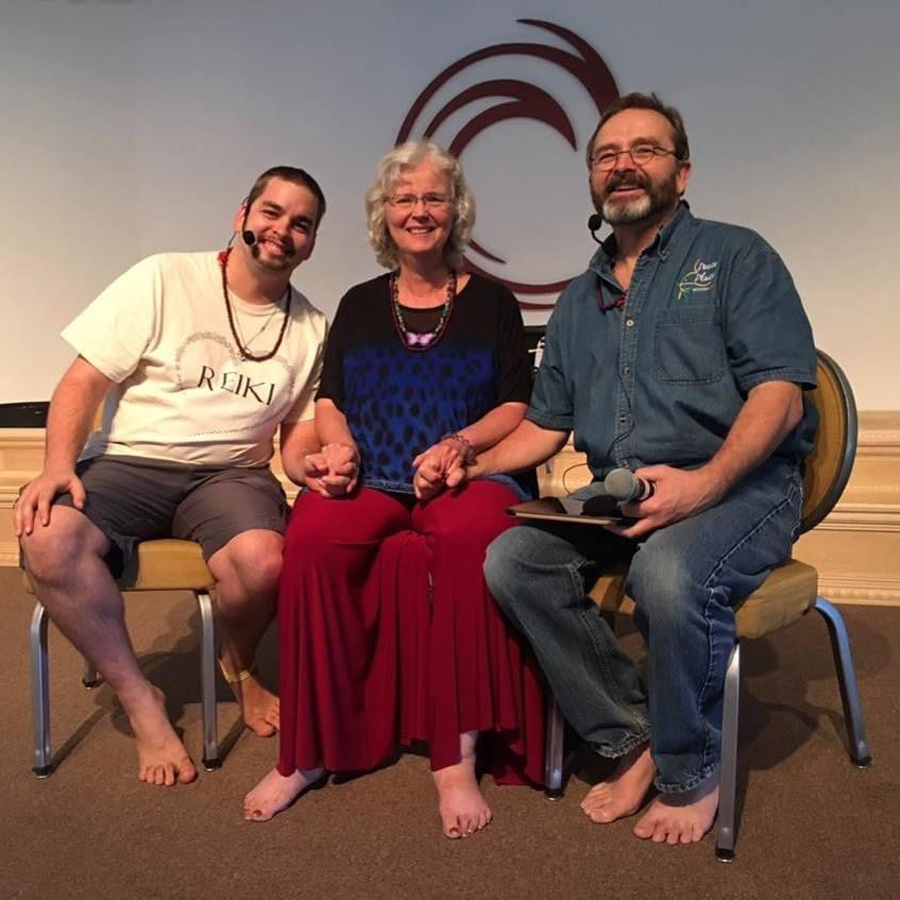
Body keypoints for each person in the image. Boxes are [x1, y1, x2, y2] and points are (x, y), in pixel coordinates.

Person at [419, 93, 818, 845]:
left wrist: (707, 482)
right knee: (514, 560)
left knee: (666, 572)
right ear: (594, 180)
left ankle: (689, 768)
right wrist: (471, 465)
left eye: (646, 149)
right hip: (623, 493)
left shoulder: (737, 257)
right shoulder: (579, 300)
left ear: (683, 171)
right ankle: (634, 734)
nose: (624, 164)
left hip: (744, 487)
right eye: (607, 155)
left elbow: (781, 394)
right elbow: (544, 426)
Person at [244, 141, 545, 838]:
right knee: (313, 536)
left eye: (433, 198)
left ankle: (457, 752)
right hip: (373, 472)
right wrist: (338, 446)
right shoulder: (356, 303)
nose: (419, 211)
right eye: (404, 199)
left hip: (467, 474)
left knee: (476, 537)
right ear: (386, 214)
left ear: (456, 210)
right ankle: (307, 752)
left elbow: (515, 405)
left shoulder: (494, 302)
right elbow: (332, 399)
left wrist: (462, 444)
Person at [16, 166, 329, 787]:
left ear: (312, 242)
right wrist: (56, 467)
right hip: (131, 461)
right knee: (47, 538)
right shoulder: (165, 276)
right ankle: (142, 701)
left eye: (301, 223)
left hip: (231, 475)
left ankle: (238, 665)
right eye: (271, 212)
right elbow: (84, 380)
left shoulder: (313, 328)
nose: (281, 231)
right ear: (241, 216)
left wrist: (310, 465)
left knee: (266, 559)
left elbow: (296, 433)